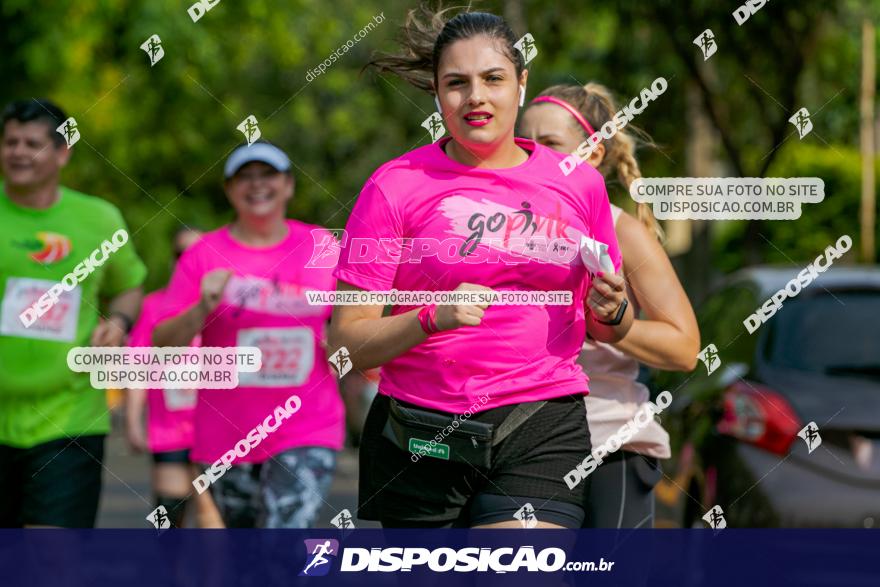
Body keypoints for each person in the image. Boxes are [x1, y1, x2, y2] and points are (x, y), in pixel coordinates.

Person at [329, 7, 633, 529]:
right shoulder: (392, 187)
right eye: (456, 83)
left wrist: (617, 308)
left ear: (521, 82)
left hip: (541, 419)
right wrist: (429, 317)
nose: (476, 97)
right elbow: (345, 342)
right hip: (421, 431)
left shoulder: (578, 183)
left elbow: (609, 324)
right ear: (436, 93)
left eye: (493, 79)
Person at [521, 82, 700, 528]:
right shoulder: (497, 225)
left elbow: (685, 347)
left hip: (608, 445)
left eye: (551, 145)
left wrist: (617, 326)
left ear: (593, 155)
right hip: (518, 446)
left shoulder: (621, 231)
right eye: (524, 144)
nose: (534, 157)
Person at [152, 140, 344, 528]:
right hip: (225, 435)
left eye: (268, 175)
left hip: (305, 426)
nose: (257, 185)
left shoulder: (320, 246)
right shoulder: (203, 253)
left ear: (289, 185)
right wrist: (201, 308)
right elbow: (163, 343)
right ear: (229, 190)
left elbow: (346, 319)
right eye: (245, 178)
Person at [0, 99, 146, 527]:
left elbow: (129, 287)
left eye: (33, 143)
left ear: (63, 152)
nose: (19, 152)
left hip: (70, 417)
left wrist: (118, 322)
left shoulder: (99, 220)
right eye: (10, 142)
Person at [125, 226, 224, 528]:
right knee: (168, 514)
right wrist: (132, 420)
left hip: (219, 429)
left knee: (213, 513)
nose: (190, 260)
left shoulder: (229, 306)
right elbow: (137, 364)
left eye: (199, 254)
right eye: (182, 254)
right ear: (173, 260)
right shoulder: (154, 306)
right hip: (169, 429)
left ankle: (213, 577)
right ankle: (171, 575)